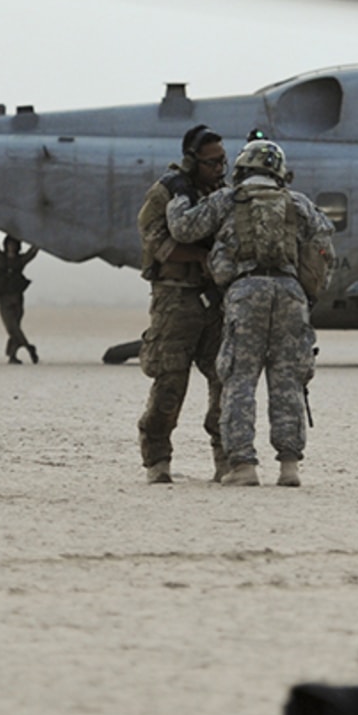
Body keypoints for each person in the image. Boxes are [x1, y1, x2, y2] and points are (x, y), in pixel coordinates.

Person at [168, 138, 334, 488]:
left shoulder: (228, 199)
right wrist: (309, 293)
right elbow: (322, 249)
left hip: (246, 290)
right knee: (288, 379)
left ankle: (243, 465)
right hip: (291, 294)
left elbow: (184, 228)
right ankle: (289, 467)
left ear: (243, 168)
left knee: (240, 378)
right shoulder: (298, 203)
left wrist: (178, 195)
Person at [136, 125, 229, 484]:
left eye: (223, 161)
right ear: (192, 162)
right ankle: (157, 459)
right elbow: (156, 242)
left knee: (226, 379)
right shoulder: (165, 194)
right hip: (176, 299)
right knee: (170, 382)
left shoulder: (222, 194)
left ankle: (227, 459)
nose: (220, 169)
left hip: (214, 301)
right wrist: (203, 256)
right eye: (212, 163)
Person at [0, 230, 40, 364]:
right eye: (9, 244)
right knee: (12, 328)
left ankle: (13, 356)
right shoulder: (1, 258)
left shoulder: (20, 260)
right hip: (4, 299)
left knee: (15, 328)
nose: (11, 247)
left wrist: (38, 235)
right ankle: (29, 348)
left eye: (13, 245)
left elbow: (33, 252)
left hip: (17, 298)